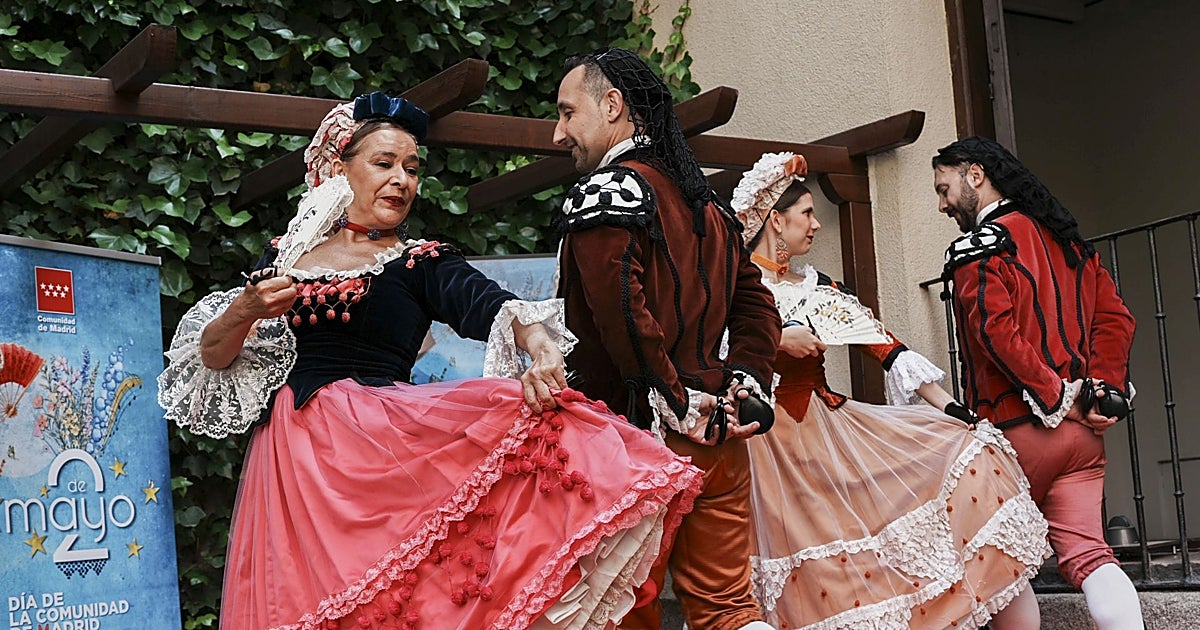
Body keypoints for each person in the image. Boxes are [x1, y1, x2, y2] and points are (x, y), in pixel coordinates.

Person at [157, 92, 704, 630]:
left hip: (377, 462)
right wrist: (247, 309)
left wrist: (539, 346)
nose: (402, 179)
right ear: (339, 168)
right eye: (384, 163)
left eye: (412, 168)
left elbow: (489, 303)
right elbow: (214, 354)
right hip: (291, 467)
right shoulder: (283, 256)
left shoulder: (419, 261)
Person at [731, 151, 1052, 629]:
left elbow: (887, 349)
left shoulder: (818, 287)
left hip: (829, 435)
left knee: (872, 562)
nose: (817, 224)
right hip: (770, 449)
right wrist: (778, 339)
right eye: (807, 214)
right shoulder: (739, 292)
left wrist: (951, 409)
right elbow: (717, 358)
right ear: (775, 220)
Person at [552, 48, 782, 630]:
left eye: (566, 113)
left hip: (633, 438)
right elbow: (758, 306)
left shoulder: (606, 193)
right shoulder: (712, 210)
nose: (558, 134)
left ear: (612, 106)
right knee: (729, 609)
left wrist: (674, 402)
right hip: (720, 442)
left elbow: (624, 315)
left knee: (623, 610)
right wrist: (743, 384)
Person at [934, 136, 1143, 630]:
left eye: (944, 188)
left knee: (1000, 567)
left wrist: (1058, 397)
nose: (942, 204)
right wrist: (1101, 392)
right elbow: (1116, 319)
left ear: (976, 175)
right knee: (1092, 557)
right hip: (1083, 439)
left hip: (1017, 431)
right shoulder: (1069, 243)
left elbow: (994, 332)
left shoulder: (976, 248)